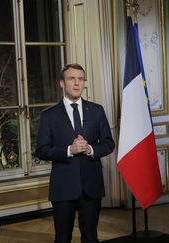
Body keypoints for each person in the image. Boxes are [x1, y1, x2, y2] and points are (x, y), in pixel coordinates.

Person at [36, 63, 115, 243]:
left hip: (91, 187)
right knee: (62, 238)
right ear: (62, 83)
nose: (77, 83)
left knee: (91, 237)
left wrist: (91, 149)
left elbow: (109, 144)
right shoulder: (49, 115)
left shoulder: (97, 111)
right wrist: (69, 150)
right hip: (63, 188)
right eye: (72, 79)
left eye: (80, 79)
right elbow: (41, 150)